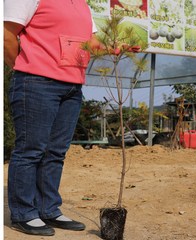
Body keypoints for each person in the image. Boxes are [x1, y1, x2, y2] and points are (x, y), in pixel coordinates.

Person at [4, 0, 103, 236]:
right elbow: (6, 34)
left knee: (56, 152)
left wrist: (117, 46)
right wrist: (25, 68)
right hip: (37, 82)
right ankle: (24, 213)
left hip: (72, 87)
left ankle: (48, 209)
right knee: (30, 149)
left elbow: (94, 43)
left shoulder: (81, 4)